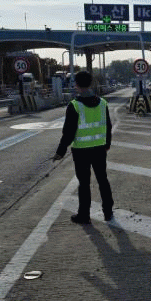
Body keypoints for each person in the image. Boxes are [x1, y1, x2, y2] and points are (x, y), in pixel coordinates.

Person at [53, 71, 114, 224]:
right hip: (99, 148)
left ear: (76, 84)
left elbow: (68, 132)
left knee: (84, 183)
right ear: (91, 83)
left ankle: (84, 215)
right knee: (103, 180)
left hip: (81, 151)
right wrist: (107, 143)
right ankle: (108, 212)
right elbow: (108, 126)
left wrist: (60, 152)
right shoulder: (103, 103)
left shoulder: (74, 106)